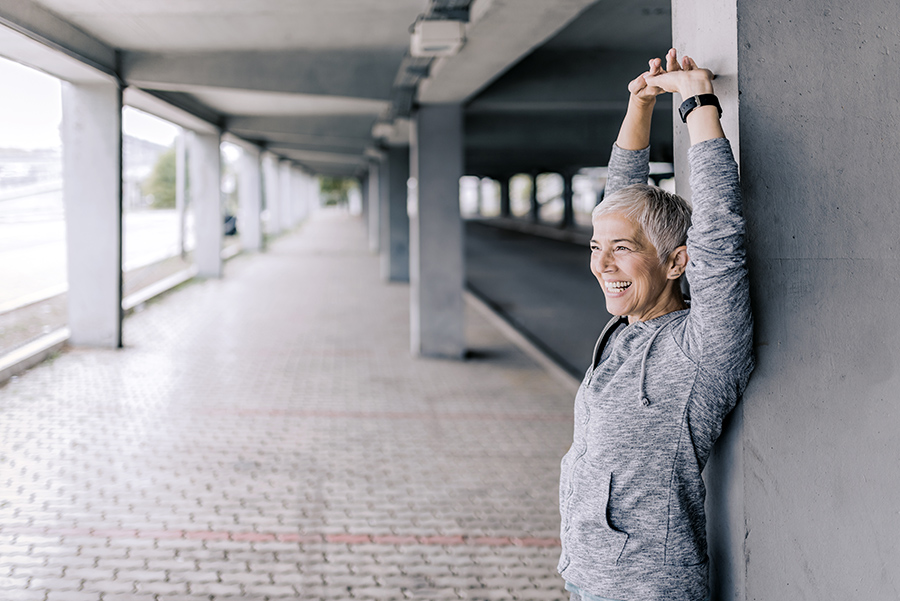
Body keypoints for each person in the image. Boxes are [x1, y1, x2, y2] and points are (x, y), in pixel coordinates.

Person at [557, 49, 754, 601]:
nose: (602, 264)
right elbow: (622, 205)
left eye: (620, 252)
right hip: (585, 571)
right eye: (597, 249)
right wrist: (639, 102)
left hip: (645, 587)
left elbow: (718, 236)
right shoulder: (626, 327)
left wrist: (698, 104)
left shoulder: (702, 347)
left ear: (676, 263)